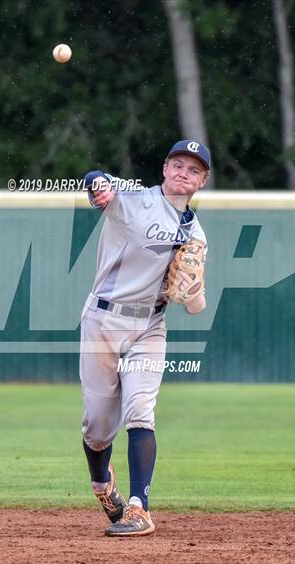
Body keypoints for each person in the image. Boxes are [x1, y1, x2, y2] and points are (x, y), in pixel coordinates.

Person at [79, 140, 210, 536]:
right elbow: (97, 179)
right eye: (178, 164)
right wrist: (98, 185)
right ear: (165, 168)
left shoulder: (195, 232)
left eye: (194, 169)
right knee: (98, 428)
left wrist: (192, 290)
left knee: (140, 410)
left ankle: (140, 507)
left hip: (149, 327)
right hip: (101, 320)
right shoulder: (133, 198)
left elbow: (195, 306)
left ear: (202, 181)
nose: (183, 172)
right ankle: (103, 486)